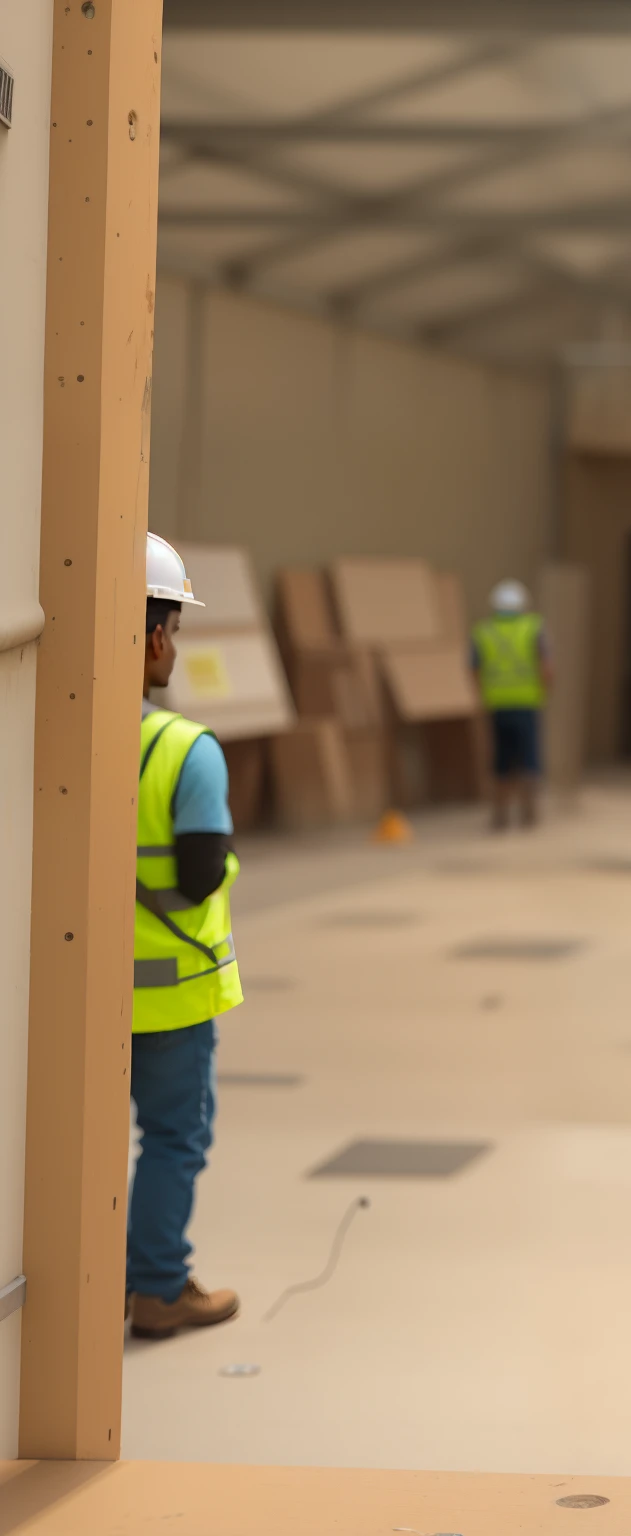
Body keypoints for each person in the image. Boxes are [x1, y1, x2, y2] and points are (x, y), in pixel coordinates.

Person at [130, 532, 243, 1340]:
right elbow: (202, 875)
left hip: (76, 985)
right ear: (155, 634)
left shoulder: (52, 735)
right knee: (172, 1138)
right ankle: (159, 1289)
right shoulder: (184, 750)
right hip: (171, 997)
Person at [470, 579, 552, 830]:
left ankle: (500, 814)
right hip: (527, 701)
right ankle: (530, 812)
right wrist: (544, 692)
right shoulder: (533, 627)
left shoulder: (483, 631)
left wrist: (482, 696)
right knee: (529, 758)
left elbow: (473, 669)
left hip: (496, 704)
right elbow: (547, 666)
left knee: (501, 759)